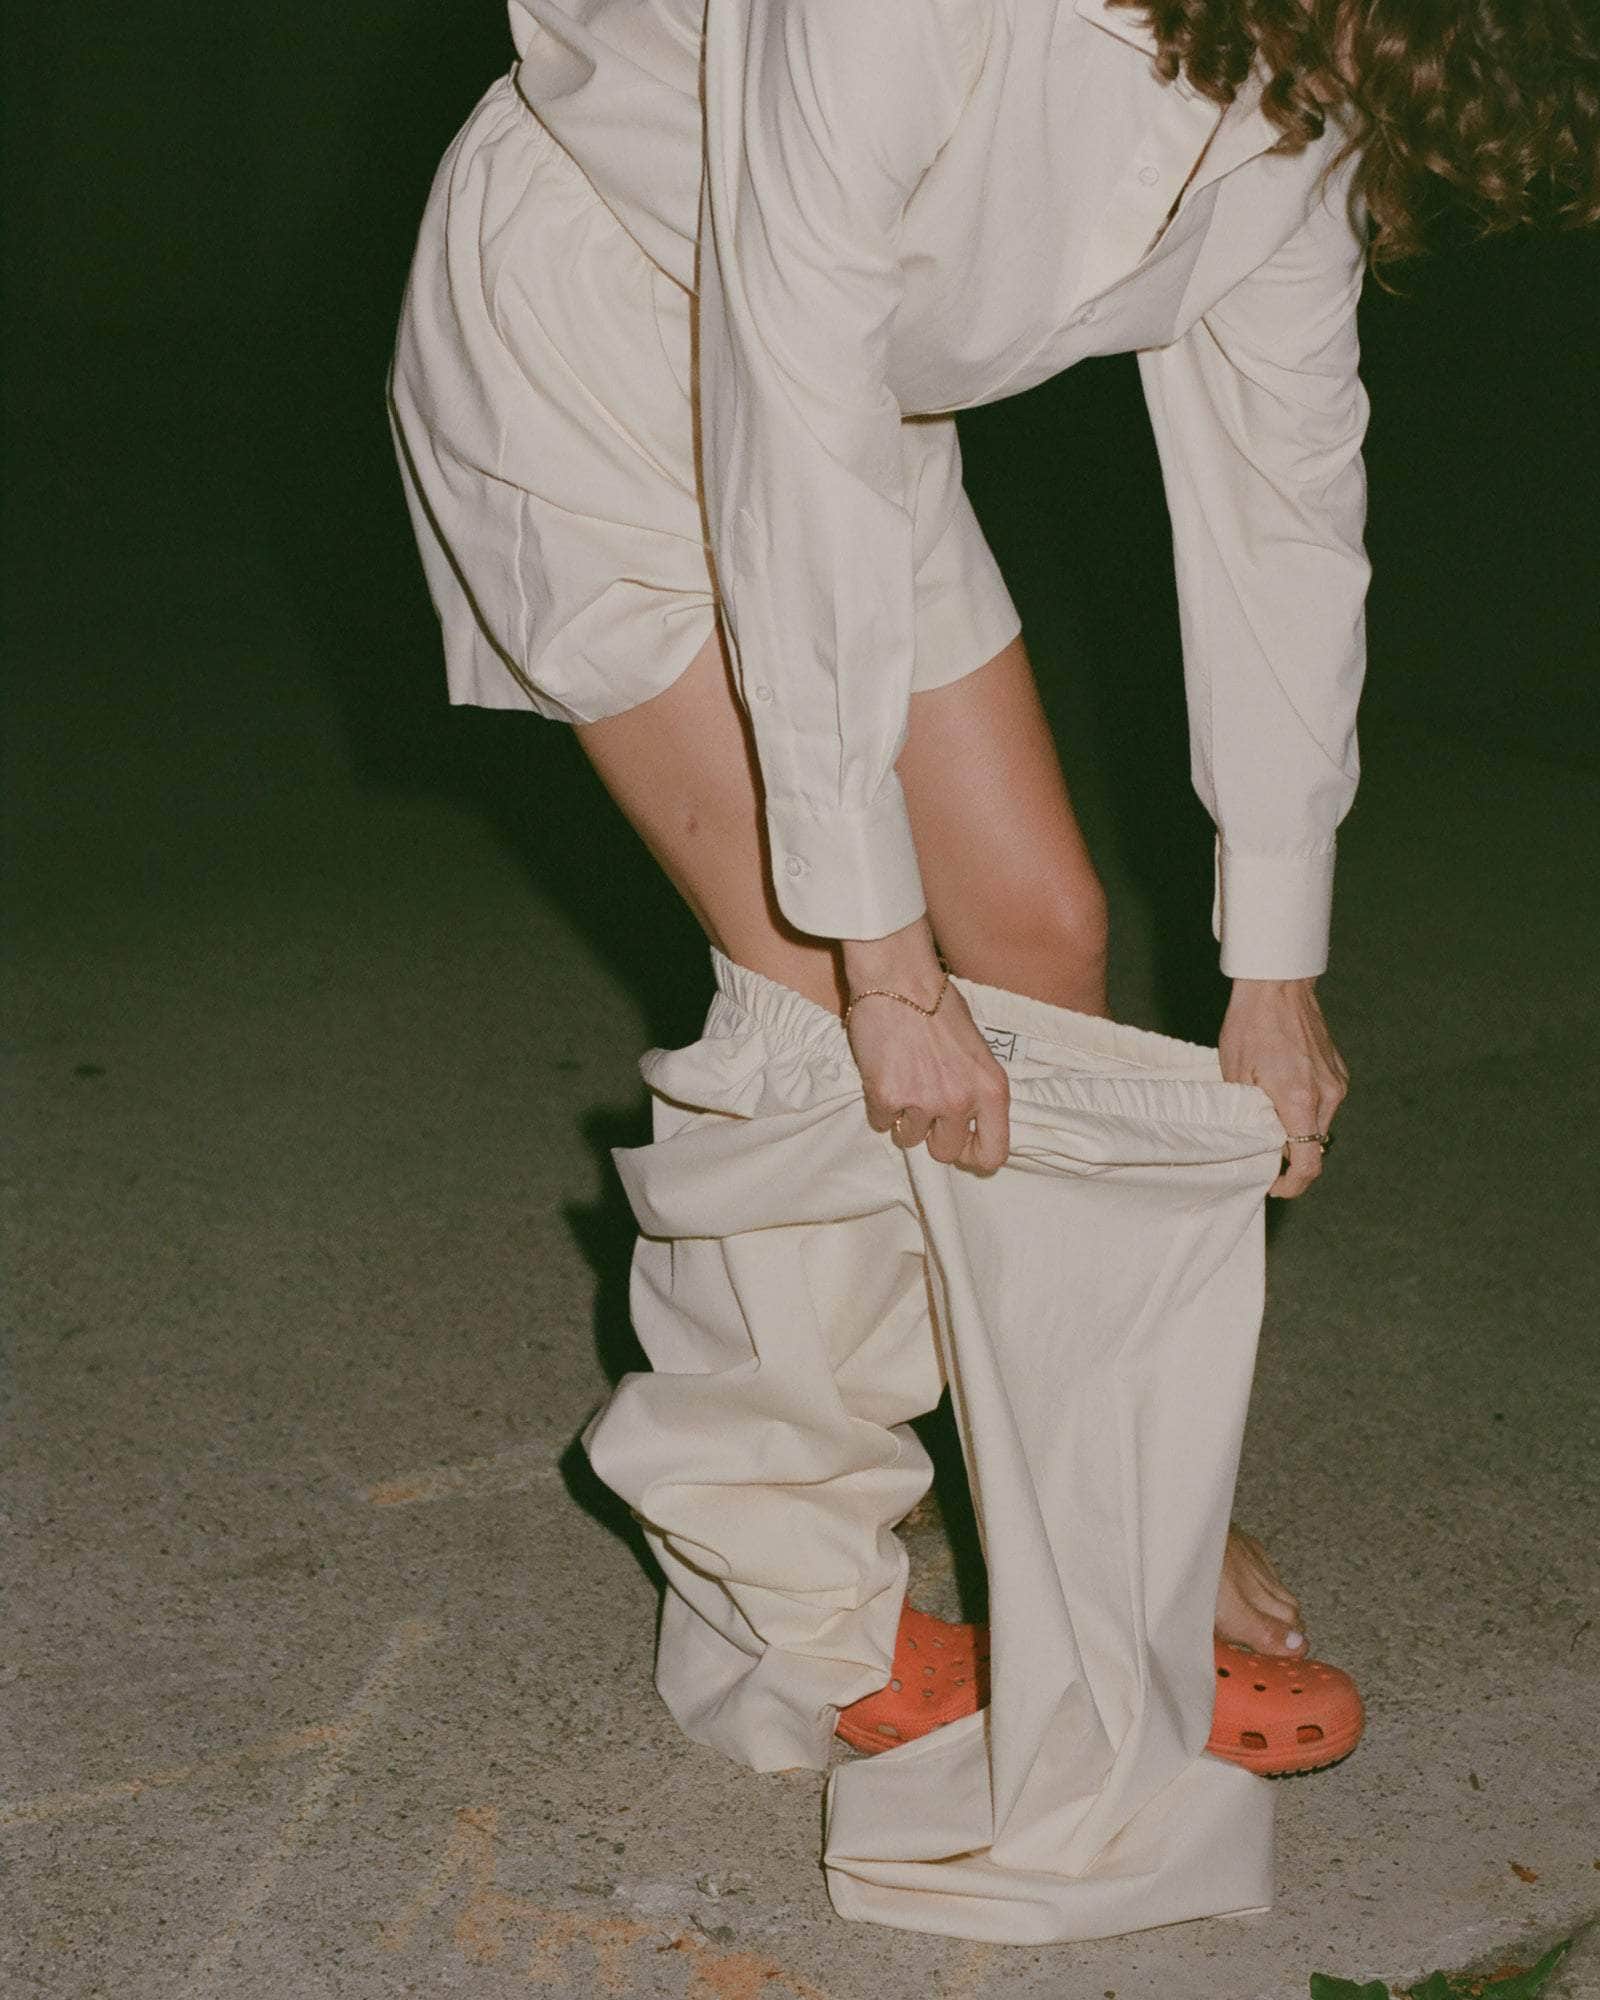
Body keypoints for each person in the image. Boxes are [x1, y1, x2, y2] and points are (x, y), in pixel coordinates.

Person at [388, 0, 1599, 1912]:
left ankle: (1098, 1521)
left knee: (1043, 933)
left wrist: (1277, 971)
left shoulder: (1306, 76)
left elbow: (1284, 496)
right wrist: (882, 964)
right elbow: (784, 408)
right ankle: (793, 1611)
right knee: (812, 994)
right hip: (604, 331)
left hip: (844, 407)